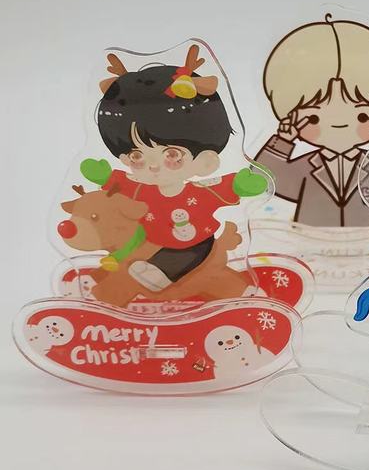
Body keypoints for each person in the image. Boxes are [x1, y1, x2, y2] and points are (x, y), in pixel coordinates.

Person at [79, 46, 268, 291]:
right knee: (132, 247)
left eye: (171, 154)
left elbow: (222, 187)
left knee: (187, 254)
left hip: (195, 243)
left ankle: (175, 276)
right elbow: (122, 184)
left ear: (205, 159)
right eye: (137, 156)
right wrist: (104, 176)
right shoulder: (142, 190)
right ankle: (116, 279)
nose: (153, 166)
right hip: (152, 240)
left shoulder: (199, 193)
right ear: (124, 158)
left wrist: (240, 184)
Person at [257, 17, 369, 227]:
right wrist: (283, 141)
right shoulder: (305, 167)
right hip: (311, 240)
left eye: (362, 116)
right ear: (291, 118)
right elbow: (262, 179)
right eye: (314, 117)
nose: (340, 123)